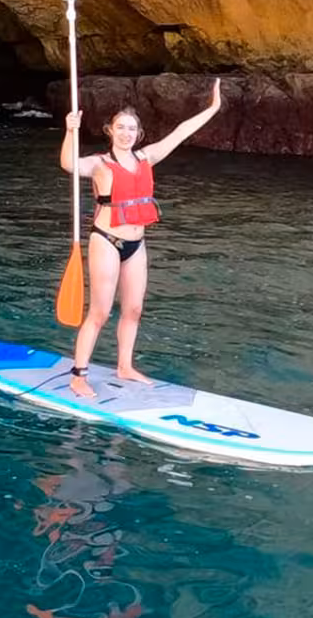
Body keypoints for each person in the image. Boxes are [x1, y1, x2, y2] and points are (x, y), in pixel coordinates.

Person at [59, 80, 223, 397]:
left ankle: (125, 365)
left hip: (136, 244)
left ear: (139, 133)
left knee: (133, 309)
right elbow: (68, 164)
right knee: (101, 312)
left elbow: (180, 132)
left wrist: (213, 108)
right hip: (106, 240)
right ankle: (78, 375)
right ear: (110, 130)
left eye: (131, 128)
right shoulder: (99, 164)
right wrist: (70, 130)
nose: (126, 133)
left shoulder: (147, 157)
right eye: (120, 127)